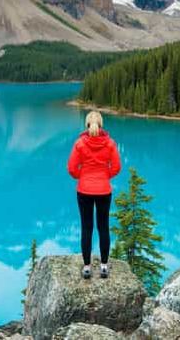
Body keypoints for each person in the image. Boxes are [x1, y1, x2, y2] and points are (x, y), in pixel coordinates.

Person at [67, 110, 121, 279]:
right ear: (101, 125)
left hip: (84, 190)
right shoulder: (110, 143)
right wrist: (104, 176)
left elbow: (71, 168)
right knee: (103, 227)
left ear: (87, 125)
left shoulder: (80, 144)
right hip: (104, 190)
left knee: (86, 228)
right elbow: (117, 167)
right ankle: (104, 266)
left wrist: (82, 176)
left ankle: (87, 267)